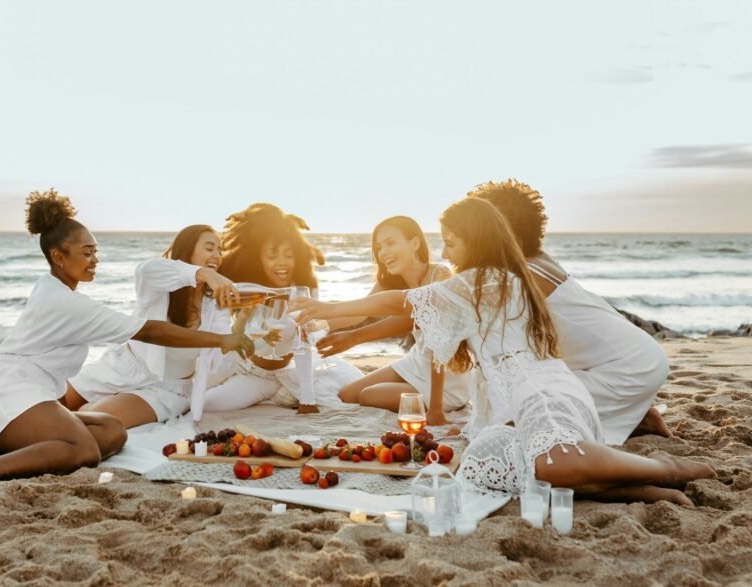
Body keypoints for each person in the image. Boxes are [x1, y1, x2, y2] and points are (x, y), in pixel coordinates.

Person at [293, 197, 715, 505]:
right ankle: (629, 490)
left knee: (551, 464)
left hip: (544, 396)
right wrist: (476, 422)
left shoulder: (491, 279)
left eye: (451, 241)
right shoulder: (478, 286)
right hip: (510, 404)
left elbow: (401, 301)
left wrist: (331, 307)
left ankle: (667, 469)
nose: (444, 252)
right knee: (488, 470)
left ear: (474, 240)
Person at [0, 191, 253, 488]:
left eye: (96, 252)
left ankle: (12, 449)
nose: (95, 260)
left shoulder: (56, 290)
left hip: (33, 395)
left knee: (113, 432)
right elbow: (148, 329)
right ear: (59, 257)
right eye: (86, 253)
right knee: (85, 451)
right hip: (6, 396)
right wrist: (221, 340)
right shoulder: (65, 303)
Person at [469, 179, 670, 443]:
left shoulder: (520, 275)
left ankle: (637, 416)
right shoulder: (537, 259)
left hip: (628, 369)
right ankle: (640, 419)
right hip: (639, 355)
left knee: (533, 417)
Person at [63, 225, 241, 428]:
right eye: (210, 249)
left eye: (220, 250)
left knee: (87, 421)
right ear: (187, 250)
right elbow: (146, 269)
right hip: (122, 367)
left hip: (167, 390)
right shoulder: (159, 285)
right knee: (48, 405)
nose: (217, 256)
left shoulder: (215, 304)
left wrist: (241, 327)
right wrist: (204, 274)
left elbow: (219, 362)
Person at [203, 203, 361, 414]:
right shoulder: (250, 290)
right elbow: (234, 334)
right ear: (256, 258)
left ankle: (281, 396)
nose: (282, 263)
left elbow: (307, 336)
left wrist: (307, 399)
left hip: (278, 375)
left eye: (288, 255)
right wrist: (241, 319)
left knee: (209, 404)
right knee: (198, 401)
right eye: (272, 255)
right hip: (247, 369)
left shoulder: (303, 289)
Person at [323, 216, 470, 424]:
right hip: (417, 361)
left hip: (446, 376)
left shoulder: (440, 275)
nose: (383, 253)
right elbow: (359, 312)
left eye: (390, 243)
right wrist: (316, 320)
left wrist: (436, 408)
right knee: (348, 395)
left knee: (368, 395)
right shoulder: (391, 282)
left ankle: (440, 401)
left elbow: (440, 340)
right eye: (379, 247)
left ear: (415, 243)